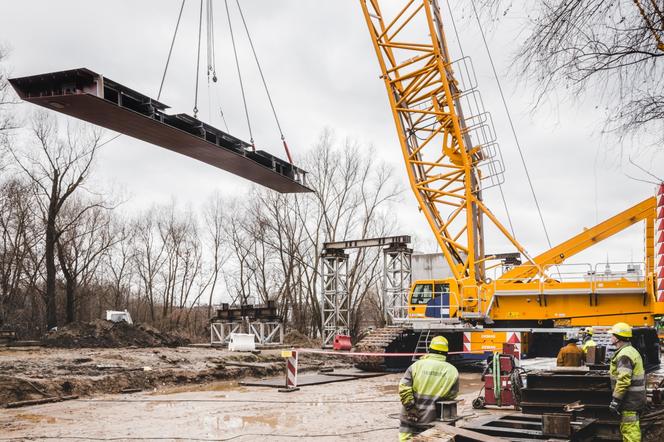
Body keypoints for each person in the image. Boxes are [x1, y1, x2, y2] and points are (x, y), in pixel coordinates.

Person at [398, 336, 459, 441]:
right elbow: (452, 396)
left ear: (430, 349)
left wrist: (410, 407)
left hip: (411, 416)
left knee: (406, 439)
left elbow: (404, 388)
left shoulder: (416, 365)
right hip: (434, 418)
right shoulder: (452, 371)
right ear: (446, 352)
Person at [608, 322, 646, 442]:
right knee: (628, 428)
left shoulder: (624, 355)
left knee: (630, 429)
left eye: (612, 335)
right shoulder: (630, 350)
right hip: (634, 398)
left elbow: (623, 380)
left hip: (630, 400)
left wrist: (616, 400)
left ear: (618, 337)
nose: (611, 337)